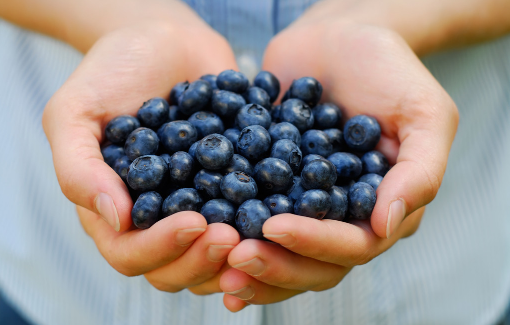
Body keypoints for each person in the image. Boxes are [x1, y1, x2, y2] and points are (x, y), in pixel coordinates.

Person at [0, 0, 509, 324]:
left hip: (444, 291)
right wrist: (129, 16)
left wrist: (374, 17)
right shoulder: (180, 145)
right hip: (63, 290)